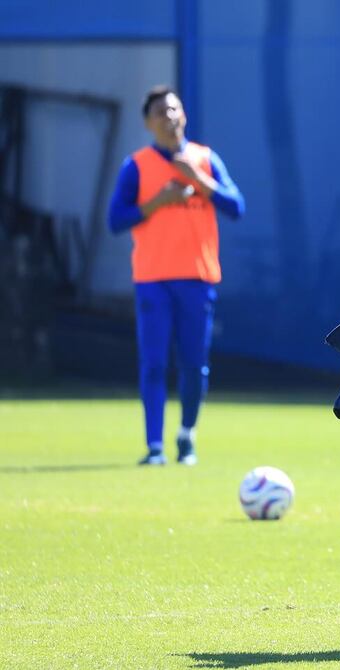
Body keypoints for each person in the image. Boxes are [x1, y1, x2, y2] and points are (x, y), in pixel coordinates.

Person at [108, 86, 245, 466]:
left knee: (194, 364)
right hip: (153, 278)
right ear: (148, 123)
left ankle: (187, 436)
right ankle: (154, 446)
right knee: (153, 363)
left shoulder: (205, 159)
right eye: (160, 112)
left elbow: (236, 207)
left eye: (174, 109)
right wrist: (157, 202)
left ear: (183, 114)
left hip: (197, 279)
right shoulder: (136, 166)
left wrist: (198, 179)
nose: (169, 117)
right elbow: (115, 220)